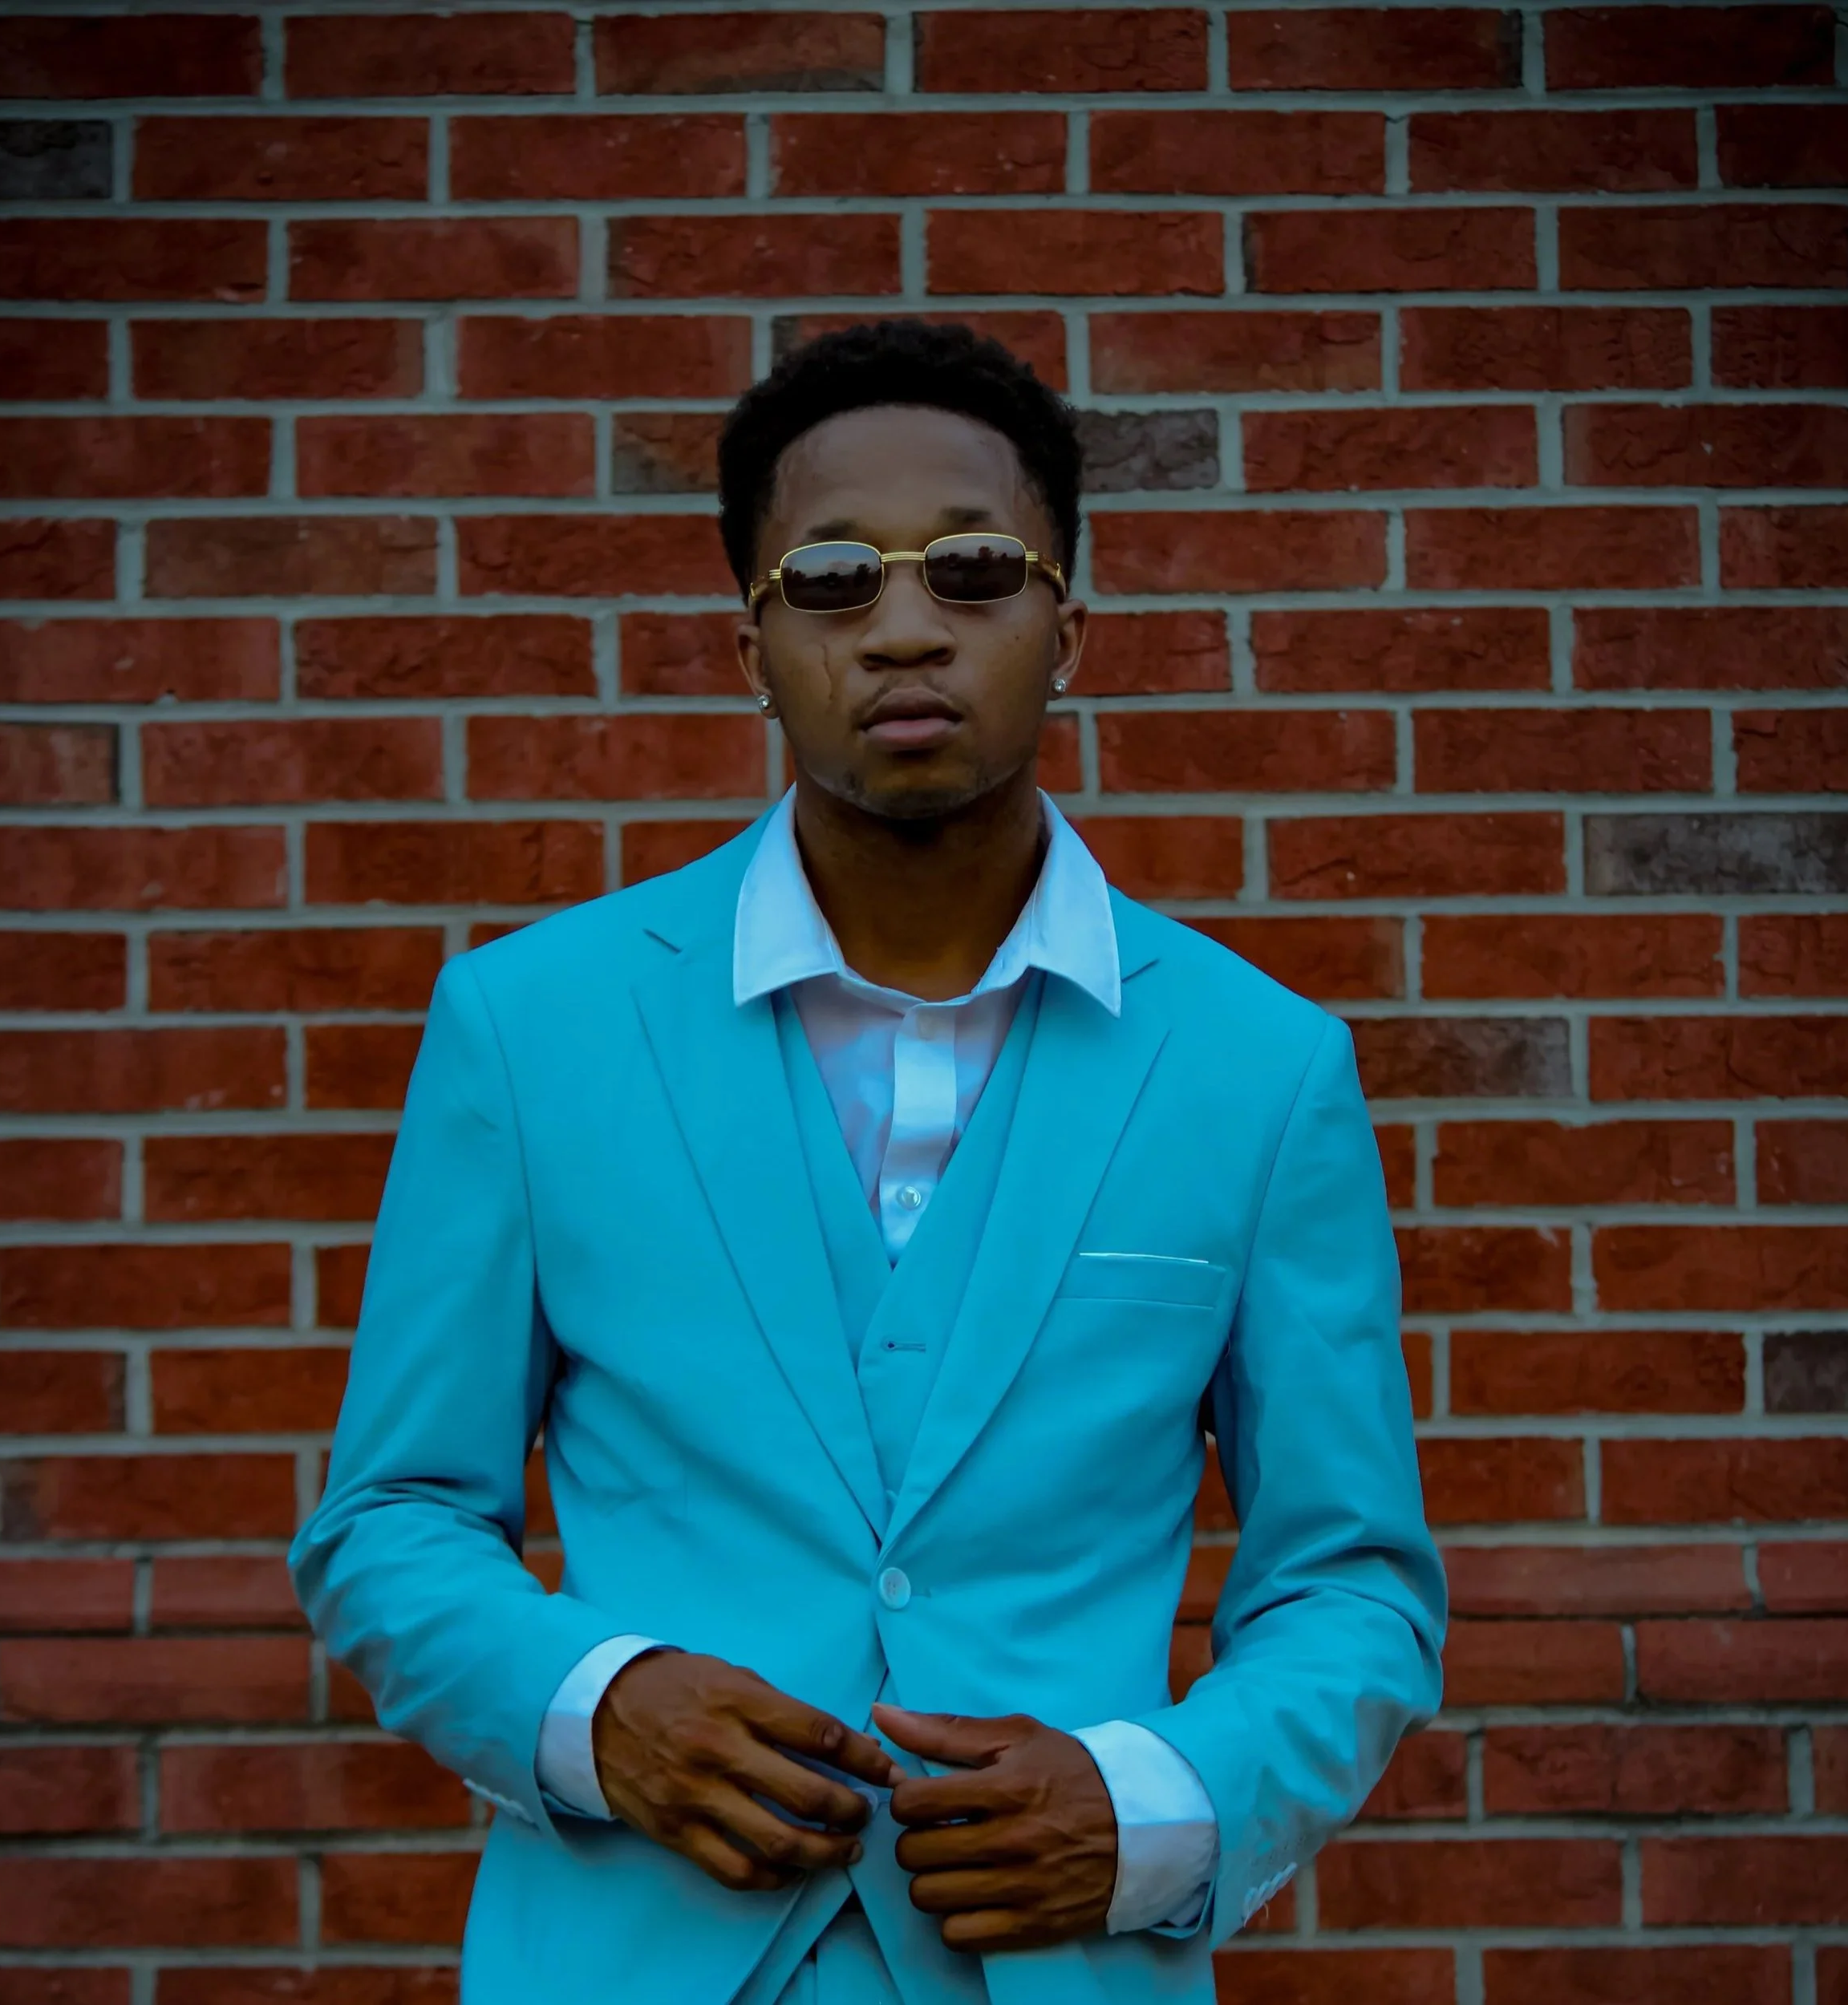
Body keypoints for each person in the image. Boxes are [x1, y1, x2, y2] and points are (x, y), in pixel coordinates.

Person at [289, 319, 1445, 2005]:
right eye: (829, 578)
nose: (903, 624)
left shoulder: (1260, 1067)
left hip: (1060, 1961)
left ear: (1068, 618)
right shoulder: (530, 1024)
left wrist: (1156, 1806)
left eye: (973, 569)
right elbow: (390, 1514)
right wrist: (591, 1703)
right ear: (749, 640)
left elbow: (1349, 1574)